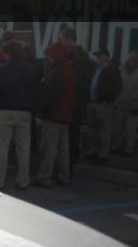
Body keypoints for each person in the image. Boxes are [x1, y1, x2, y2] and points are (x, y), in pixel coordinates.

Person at [0, 41, 42, 190]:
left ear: (8, 54)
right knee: (23, 148)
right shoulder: (32, 69)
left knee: (2, 147)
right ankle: (23, 179)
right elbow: (38, 91)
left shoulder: (1, 69)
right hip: (25, 112)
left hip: (3, 110)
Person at [36, 43, 75, 187]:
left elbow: (51, 95)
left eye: (50, 56)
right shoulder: (68, 69)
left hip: (53, 115)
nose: (48, 58)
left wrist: (43, 111)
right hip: (65, 115)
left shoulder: (57, 72)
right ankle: (64, 176)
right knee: (63, 149)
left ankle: (44, 176)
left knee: (50, 148)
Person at [59, 26, 94, 168]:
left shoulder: (73, 56)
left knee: (68, 134)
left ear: (67, 39)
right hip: (78, 102)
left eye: (62, 39)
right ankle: (72, 158)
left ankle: (68, 161)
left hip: (70, 101)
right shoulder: (84, 56)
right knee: (73, 132)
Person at [84, 48, 122, 163]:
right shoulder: (97, 69)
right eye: (97, 56)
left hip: (103, 104)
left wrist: (107, 98)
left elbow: (117, 87)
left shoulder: (112, 70)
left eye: (100, 56)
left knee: (104, 130)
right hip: (92, 103)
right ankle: (92, 151)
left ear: (106, 57)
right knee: (92, 129)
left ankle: (103, 153)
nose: (98, 58)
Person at [112, 51, 138, 156]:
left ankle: (129, 148)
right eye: (130, 58)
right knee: (117, 127)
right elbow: (115, 83)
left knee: (131, 128)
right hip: (119, 103)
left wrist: (133, 96)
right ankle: (116, 146)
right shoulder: (121, 69)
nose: (131, 61)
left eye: (134, 59)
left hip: (134, 105)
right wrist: (117, 96)